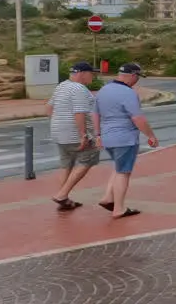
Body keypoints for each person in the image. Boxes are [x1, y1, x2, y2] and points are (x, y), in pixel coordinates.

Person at [94, 62, 159, 219]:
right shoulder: (128, 93)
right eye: (137, 77)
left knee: (118, 167)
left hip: (107, 137)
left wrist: (98, 135)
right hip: (125, 138)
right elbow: (137, 118)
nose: (137, 81)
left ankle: (108, 197)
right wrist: (151, 136)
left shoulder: (103, 90)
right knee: (124, 172)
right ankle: (119, 208)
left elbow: (95, 113)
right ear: (132, 75)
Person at [45, 61, 100, 211]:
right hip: (74, 134)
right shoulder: (79, 89)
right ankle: (62, 195)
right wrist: (83, 135)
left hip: (59, 132)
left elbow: (49, 108)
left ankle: (64, 197)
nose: (93, 77)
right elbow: (79, 113)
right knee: (88, 158)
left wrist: (59, 121)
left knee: (66, 164)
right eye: (91, 74)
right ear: (82, 73)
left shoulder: (61, 86)